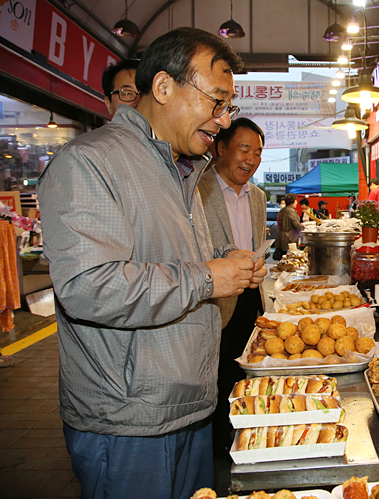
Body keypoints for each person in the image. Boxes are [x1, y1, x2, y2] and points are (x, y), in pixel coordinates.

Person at [37, 27, 265, 499]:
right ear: (163, 87)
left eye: (229, 107)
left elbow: (169, 258)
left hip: (190, 406)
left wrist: (225, 263)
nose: (223, 121)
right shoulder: (89, 163)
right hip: (129, 423)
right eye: (215, 102)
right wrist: (207, 277)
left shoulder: (183, 169)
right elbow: (88, 287)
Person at [198, 118, 267, 453]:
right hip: (213, 300)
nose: (251, 159)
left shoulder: (258, 196)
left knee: (244, 372)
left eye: (256, 152)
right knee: (216, 374)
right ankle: (216, 446)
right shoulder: (197, 189)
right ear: (220, 148)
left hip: (250, 297)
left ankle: (242, 437)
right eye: (244, 149)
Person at [274, 193, 303, 260]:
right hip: (289, 238)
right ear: (292, 201)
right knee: (289, 258)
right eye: (296, 200)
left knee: (283, 259)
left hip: (281, 237)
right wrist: (303, 225)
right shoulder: (291, 211)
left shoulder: (282, 211)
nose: (297, 202)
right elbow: (297, 225)